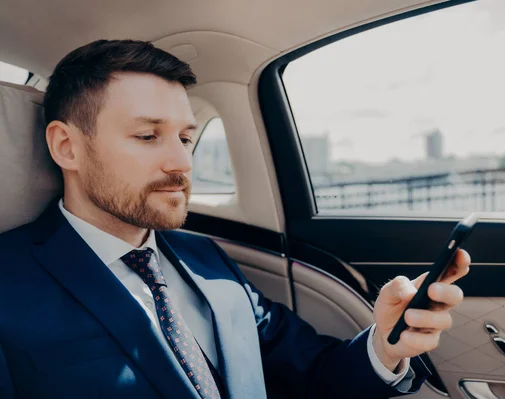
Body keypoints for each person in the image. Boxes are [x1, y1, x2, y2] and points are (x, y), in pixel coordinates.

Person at [0, 40, 470, 399]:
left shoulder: (205, 257)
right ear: (66, 146)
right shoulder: (8, 281)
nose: (182, 163)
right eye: (147, 136)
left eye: (185, 138)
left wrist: (385, 347)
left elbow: (309, 371)